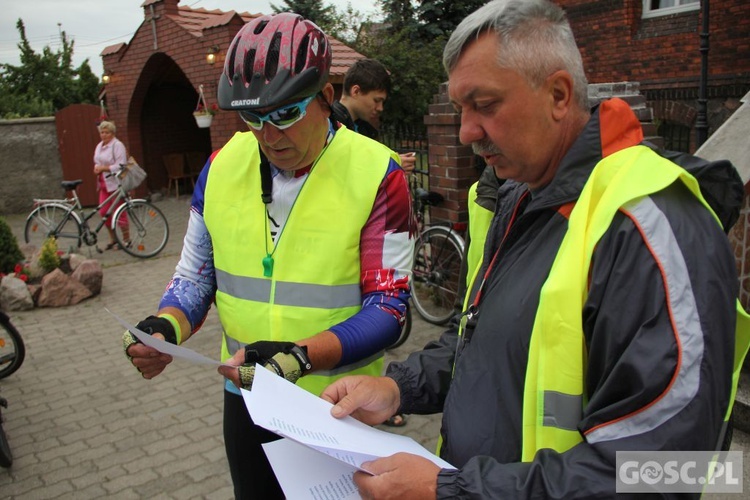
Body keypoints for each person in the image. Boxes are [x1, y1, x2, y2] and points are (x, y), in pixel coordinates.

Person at [320, 0, 749, 498]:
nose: (465, 133)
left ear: (559, 95)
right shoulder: (521, 193)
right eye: (460, 109)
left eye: (485, 105)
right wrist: (399, 388)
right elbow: (484, 340)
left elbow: (669, 471)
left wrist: (453, 491)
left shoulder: (651, 226)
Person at [121, 13, 414, 500]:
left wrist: (298, 358)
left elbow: (388, 307)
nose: (269, 134)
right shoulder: (220, 167)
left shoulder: (377, 173)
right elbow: (195, 279)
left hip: (337, 402)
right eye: (253, 117)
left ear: (325, 95)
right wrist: (164, 328)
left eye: (285, 113)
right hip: (249, 396)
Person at [332, 58, 417, 174]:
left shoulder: (365, 129)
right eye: (376, 100)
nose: (380, 108)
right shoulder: (329, 126)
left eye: (382, 102)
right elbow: (340, 169)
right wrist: (389, 166)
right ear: (356, 91)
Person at [92, 120, 129, 249]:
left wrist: (104, 168)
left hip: (116, 184)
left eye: (107, 132)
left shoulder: (117, 145)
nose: (104, 135)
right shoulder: (99, 146)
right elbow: (97, 161)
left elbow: (121, 165)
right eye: (102, 132)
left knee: (120, 212)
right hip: (103, 184)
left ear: (112, 133)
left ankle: (126, 239)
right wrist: (97, 168)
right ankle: (113, 238)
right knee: (103, 212)